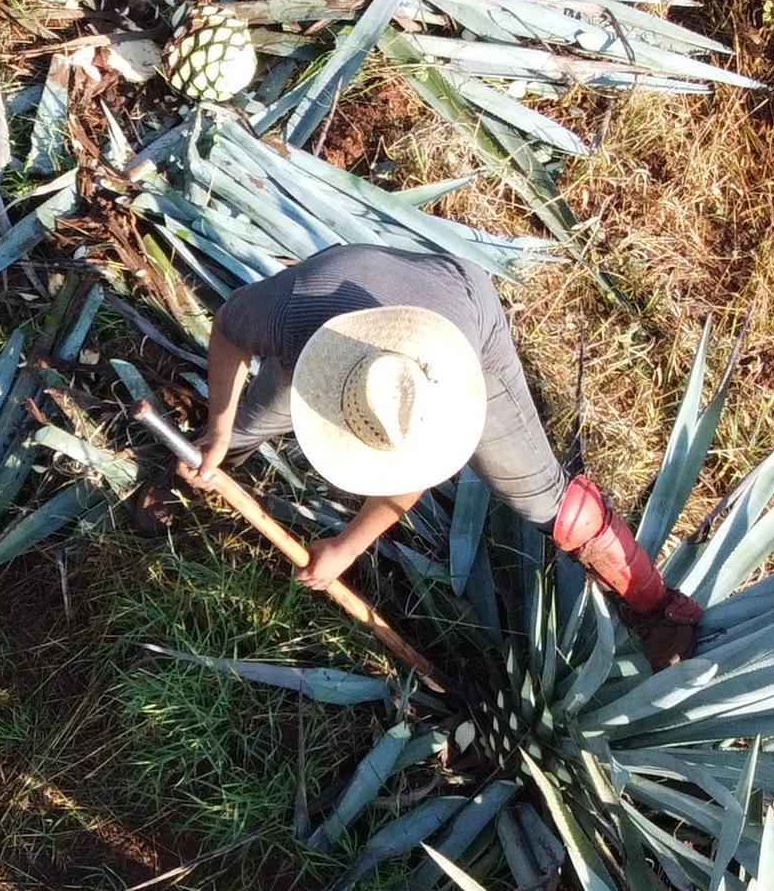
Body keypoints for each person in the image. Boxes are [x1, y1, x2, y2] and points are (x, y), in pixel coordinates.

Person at [177, 245, 702, 667]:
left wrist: (346, 547)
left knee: (546, 499)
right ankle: (198, 462)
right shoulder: (293, 312)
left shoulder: (444, 388)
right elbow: (227, 328)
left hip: (464, 313)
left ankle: (656, 608)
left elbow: (416, 470)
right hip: (336, 327)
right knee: (250, 420)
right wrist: (220, 428)